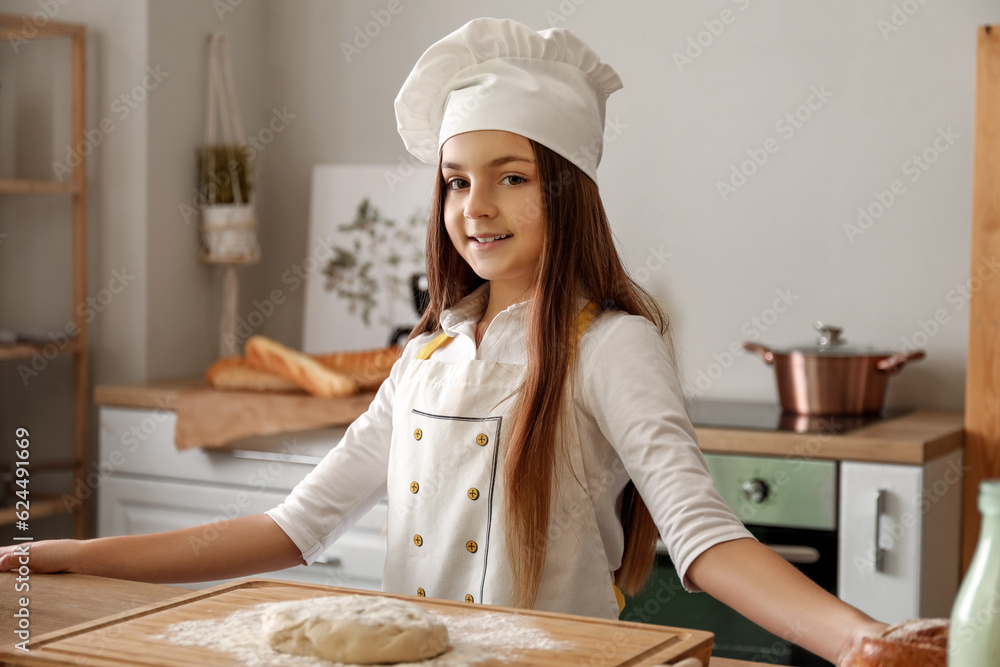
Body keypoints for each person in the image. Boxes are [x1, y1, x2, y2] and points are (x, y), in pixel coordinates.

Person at [0, 18, 886, 665]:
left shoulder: (612, 345)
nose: (477, 208)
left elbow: (702, 534)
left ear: (567, 191)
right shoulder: (427, 355)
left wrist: (855, 638)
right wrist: (74, 553)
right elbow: (290, 527)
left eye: (512, 177)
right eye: (457, 181)